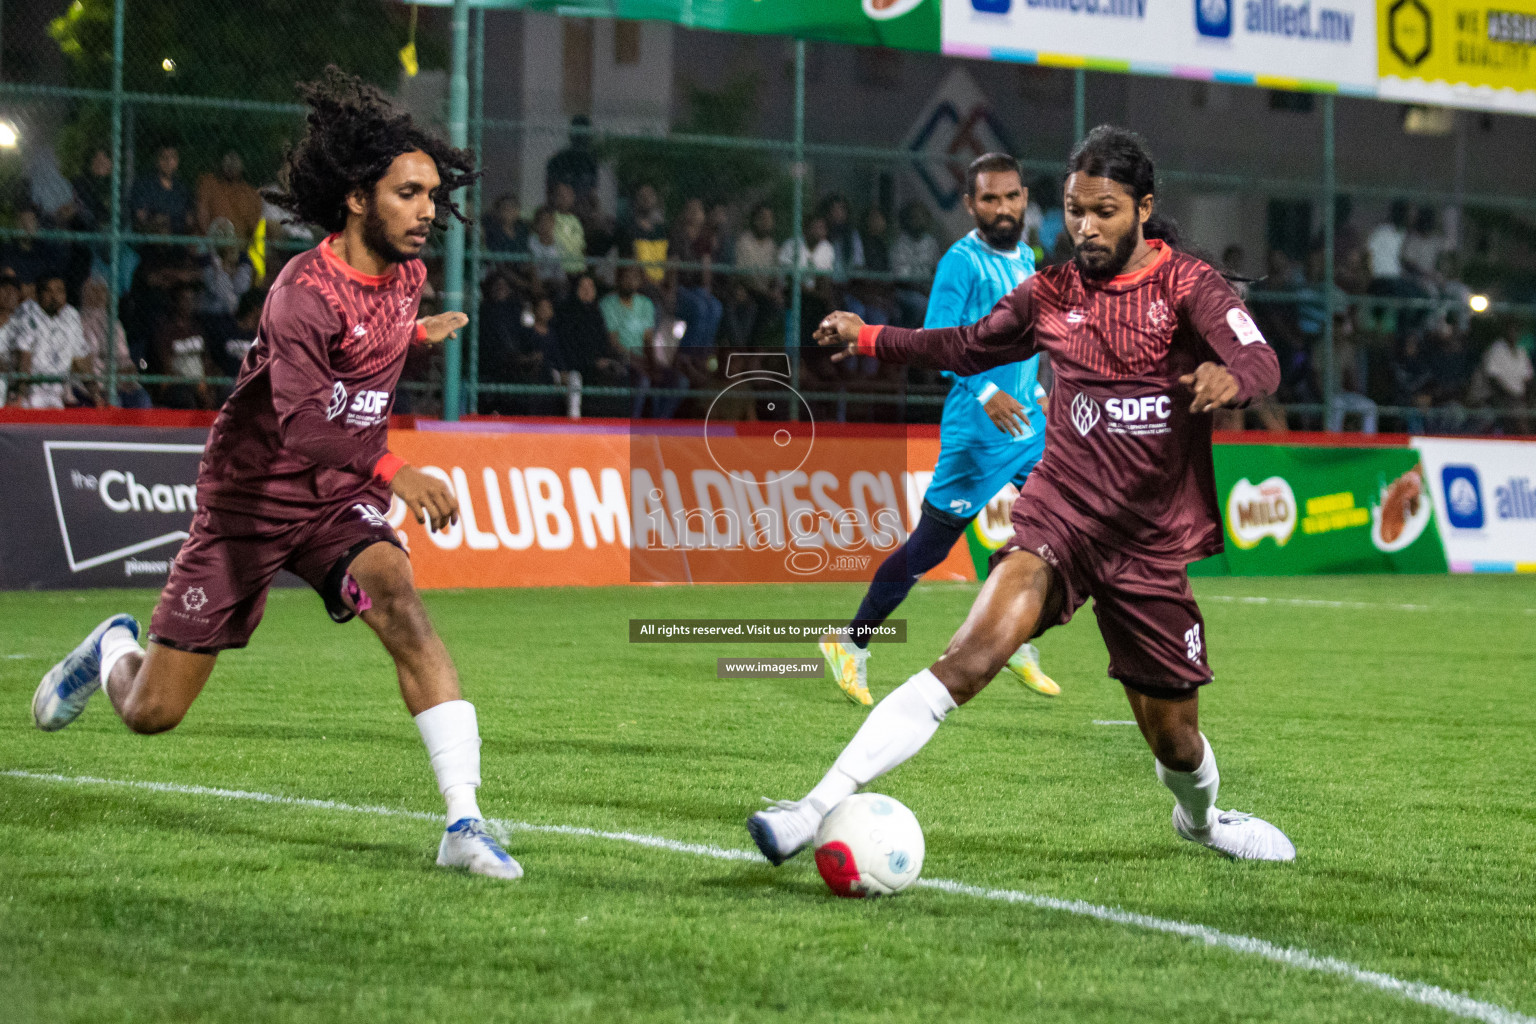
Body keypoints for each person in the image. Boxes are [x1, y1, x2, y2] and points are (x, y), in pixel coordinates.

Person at [750, 126, 1294, 867]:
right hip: (1059, 517)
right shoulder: (1051, 292)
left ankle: (1202, 823)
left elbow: (1258, 355)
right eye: (1074, 210)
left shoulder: (1189, 285)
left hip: (1147, 543)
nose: (1085, 227)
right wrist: (872, 335)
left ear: (1143, 207)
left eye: (1104, 211)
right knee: (966, 661)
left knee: (1175, 739)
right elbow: (964, 345)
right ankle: (809, 809)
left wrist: (1235, 379)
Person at [30, 66, 522, 881]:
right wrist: (398, 470)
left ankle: (463, 821)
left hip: (336, 502)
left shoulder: (407, 275)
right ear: (359, 197)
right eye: (410, 193)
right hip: (251, 500)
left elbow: (366, 345)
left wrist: (415, 338)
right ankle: (112, 648)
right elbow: (302, 423)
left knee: (400, 600)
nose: (430, 209)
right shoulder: (302, 293)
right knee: (154, 712)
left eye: (433, 192)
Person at [817, 153, 1057, 706]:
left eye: (1012, 196)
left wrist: (1035, 389)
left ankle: (1014, 634)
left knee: (1056, 532)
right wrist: (988, 392)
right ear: (970, 205)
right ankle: (850, 644)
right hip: (976, 431)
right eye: (990, 199)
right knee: (925, 551)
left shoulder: (1027, 255)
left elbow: (1027, 337)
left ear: (1025, 199)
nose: (1003, 208)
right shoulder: (961, 262)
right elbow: (937, 341)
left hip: (1029, 425)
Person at [5, 272, 92, 408]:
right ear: (38, 295)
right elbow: (23, 357)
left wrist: (96, 395)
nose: (55, 297)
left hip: (57, 393)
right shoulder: (28, 311)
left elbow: (80, 360)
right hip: (29, 392)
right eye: (48, 291)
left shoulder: (71, 315)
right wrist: (19, 396)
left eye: (59, 291)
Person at [197, 150, 264, 242]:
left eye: (235, 159)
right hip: (212, 243)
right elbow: (202, 216)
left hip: (239, 247)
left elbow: (253, 228)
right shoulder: (209, 183)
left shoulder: (250, 193)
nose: (232, 163)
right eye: (228, 158)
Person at [130, 143, 195, 234]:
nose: (168, 162)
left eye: (172, 157)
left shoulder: (182, 188)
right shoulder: (144, 184)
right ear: (156, 161)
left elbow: (189, 220)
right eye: (164, 157)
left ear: (177, 161)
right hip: (151, 239)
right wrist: (158, 222)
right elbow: (141, 218)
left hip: (178, 237)